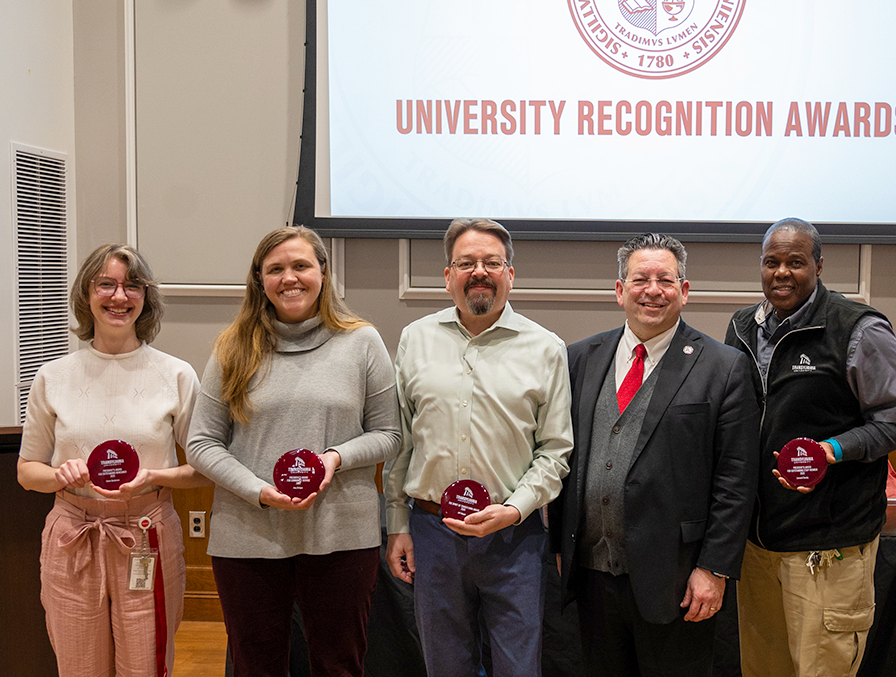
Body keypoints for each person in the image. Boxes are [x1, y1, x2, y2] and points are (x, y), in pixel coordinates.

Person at [186, 226, 401, 677]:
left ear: (323, 272)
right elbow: (201, 443)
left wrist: (335, 458)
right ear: (259, 280)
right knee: (255, 667)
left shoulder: (362, 342)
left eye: (301, 265)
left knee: (339, 666)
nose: (290, 278)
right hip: (248, 534)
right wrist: (257, 490)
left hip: (341, 532)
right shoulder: (232, 347)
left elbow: (389, 434)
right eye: (276, 269)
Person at [550, 233, 759, 677]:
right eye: (640, 278)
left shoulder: (723, 367)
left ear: (684, 291)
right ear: (619, 290)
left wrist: (714, 569)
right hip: (591, 576)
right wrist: (558, 545)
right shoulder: (579, 358)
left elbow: (736, 480)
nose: (652, 289)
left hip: (678, 580)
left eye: (665, 279)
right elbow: (561, 456)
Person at [725, 217, 896, 677]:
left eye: (795, 262)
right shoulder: (741, 327)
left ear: (818, 265)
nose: (781, 273)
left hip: (828, 547)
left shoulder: (857, 328)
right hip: (758, 543)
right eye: (771, 262)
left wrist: (833, 449)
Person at [384, 218, 573, 677]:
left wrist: (514, 510)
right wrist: (397, 524)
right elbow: (400, 441)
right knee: (445, 665)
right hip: (432, 532)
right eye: (466, 262)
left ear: (511, 274)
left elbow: (555, 451)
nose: (479, 271)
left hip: (514, 536)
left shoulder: (546, 348)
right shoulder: (415, 339)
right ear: (448, 275)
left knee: (518, 667)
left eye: (492, 262)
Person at [17, 244, 207, 677]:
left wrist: (153, 477)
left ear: (145, 296)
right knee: (79, 667)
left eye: (131, 285)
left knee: (146, 667)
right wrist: (56, 475)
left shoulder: (176, 375)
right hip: (72, 537)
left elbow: (203, 468)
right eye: (106, 284)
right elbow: (27, 471)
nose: (119, 296)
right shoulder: (53, 377)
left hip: (146, 534)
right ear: (87, 294)